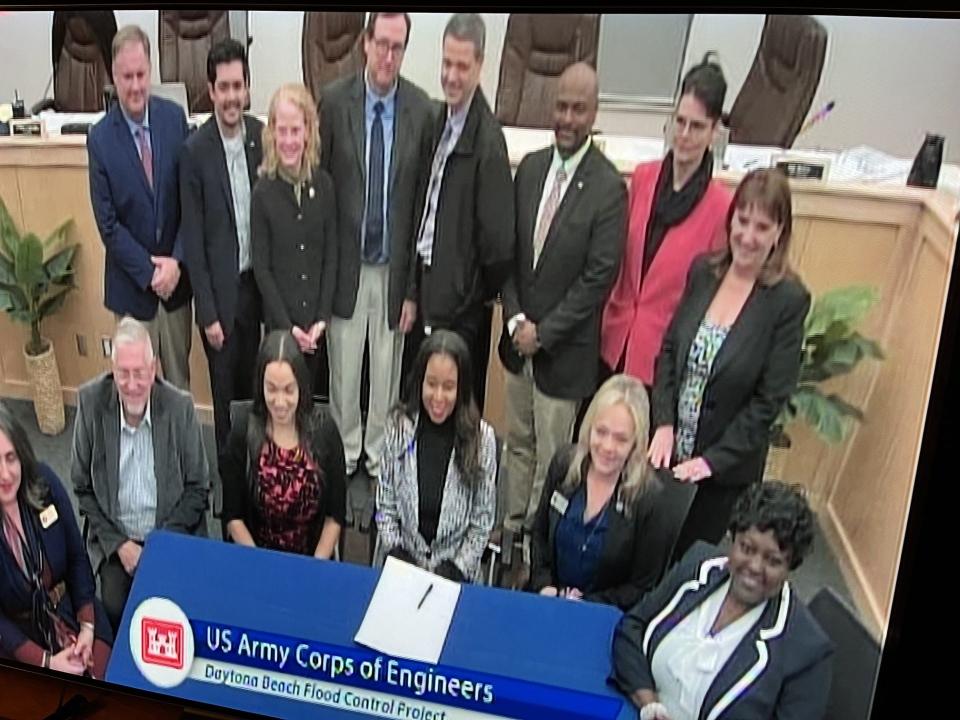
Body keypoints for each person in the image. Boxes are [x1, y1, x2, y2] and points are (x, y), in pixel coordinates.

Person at [649, 168, 811, 558]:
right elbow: (671, 350)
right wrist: (665, 423)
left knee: (692, 566)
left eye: (762, 226)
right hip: (668, 455)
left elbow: (768, 401)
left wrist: (711, 461)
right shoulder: (703, 271)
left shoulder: (787, 301)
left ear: (779, 233)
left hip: (721, 474)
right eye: (742, 220)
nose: (748, 236)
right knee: (650, 557)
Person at [499, 62, 627, 545]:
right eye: (561, 106)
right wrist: (515, 319)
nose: (567, 118)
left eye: (579, 109)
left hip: (562, 355)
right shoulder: (530, 169)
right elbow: (507, 254)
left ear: (594, 112)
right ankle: (510, 531)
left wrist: (544, 332)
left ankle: (536, 540)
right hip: (516, 342)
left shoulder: (609, 188)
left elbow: (598, 279)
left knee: (553, 457)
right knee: (518, 445)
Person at [319, 13, 434, 493]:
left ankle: (378, 454)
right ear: (365, 44)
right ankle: (345, 453)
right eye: (381, 43)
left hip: (393, 271)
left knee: (386, 374)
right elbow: (323, 191)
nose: (388, 56)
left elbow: (423, 208)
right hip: (346, 266)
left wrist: (412, 290)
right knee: (344, 370)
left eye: (398, 46)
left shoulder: (422, 110)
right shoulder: (333, 102)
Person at [611, 481, 832, 720]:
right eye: (747, 548)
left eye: (773, 561)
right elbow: (632, 627)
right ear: (732, 539)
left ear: (791, 565)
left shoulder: (808, 650)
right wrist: (650, 705)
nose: (755, 567)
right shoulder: (698, 564)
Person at [601, 53, 732, 389]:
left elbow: (705, 302)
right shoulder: (643, 178)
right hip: (612, 344)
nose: (685, 134)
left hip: (660, 363)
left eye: (697, 126)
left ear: (715, 131)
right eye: (680, 121)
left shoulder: (720, 207)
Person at [71, 318, 209, 632]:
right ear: (113, 369)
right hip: (117, 540)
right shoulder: (91, 403)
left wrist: (158, 545)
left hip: (169, 534)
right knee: (116, 609)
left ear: (154, 368)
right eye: (124, 373)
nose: (132, 384)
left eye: (140, 372)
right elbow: (81, 488)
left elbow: (198, 486)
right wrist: (121, 545)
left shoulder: (180, 407)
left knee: (178, 609)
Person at [412, 13, 514, 410]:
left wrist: (463, 295)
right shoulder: (437, 120)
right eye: (446, 63)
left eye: (462, 66)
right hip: (426, 293)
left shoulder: (488, 143)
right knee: (422, 406)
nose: (451, 76)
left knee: (455, 417)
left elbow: (498, 248)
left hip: (460, 314)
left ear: (480, 66)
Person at [87, 24, 192, 391]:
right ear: (113, 77)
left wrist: (176, 262)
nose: (135, 86)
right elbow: (108, 224)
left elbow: (189, 202)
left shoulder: (174, 119)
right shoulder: (99, 139)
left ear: (151, 71)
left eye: (141, 74)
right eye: (126, 76)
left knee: (179, 385)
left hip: (176, 285)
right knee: (136, 389)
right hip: (132, 288)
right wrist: (151, 273)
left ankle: (181, 450)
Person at [528, 376, 691, 610]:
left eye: (621, 439)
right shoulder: (564, 464)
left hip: (604, 616)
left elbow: (642, 587)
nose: (607, 447)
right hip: (548, 603)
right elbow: (540, 534)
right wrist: (544, 585)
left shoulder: (650, 499)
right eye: (601, 432)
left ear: (636, 443)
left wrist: (583, 604)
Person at [180, 38, 264, 461]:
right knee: (226, 396)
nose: (232, 96)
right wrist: (208, 314)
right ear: (211, 90)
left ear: (248, 87)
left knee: (258, 391)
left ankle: (254, 472)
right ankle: (231, 478)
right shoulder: (194, 152)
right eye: (224, 87)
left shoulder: (262, 138)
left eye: (239, 86)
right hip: (220, 301)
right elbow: (193, 240)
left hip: (258, 292)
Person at [0, 403, 113, 678]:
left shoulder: (43, 481)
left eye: (10, 458)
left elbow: (76, 556)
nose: (5, 475)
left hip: (73, 607)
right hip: (20, 639)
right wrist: (47, 662)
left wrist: (86, 626)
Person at [374, 330, 496, 582]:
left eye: (449, 387)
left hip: (456, 574)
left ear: (461, 388)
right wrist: (396, 553)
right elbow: (384, 507)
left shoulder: (482, 439)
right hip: (401, 567)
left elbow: (481, 523)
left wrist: (456, 568)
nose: (438, 397)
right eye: (431, 384)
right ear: (420, 381)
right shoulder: (398, 426)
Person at [220, 330, 346, 558]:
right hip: (257, 557)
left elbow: (335, 515)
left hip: (311, 558)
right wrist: (260, 564)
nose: (279, 402)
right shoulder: (242, 429)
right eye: (271, 389)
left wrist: (315, 567)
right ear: (261, 386)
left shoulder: (325, 430)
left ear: (301, 386)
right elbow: (232, 515)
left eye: (289, 390)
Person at [251, 82, 337, 399]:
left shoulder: (324, 185)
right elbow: (262, 268)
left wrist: (321, 320)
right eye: (282, 131)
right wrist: (289, 328)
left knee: (310, 404)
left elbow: (331, 256)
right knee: (282, 401)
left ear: (308, 131)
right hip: (281, 330)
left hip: (315, 329)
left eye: (295, 130)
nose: (289, 140)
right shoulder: (263, 192)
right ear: (272, 133)